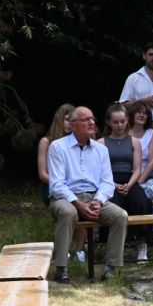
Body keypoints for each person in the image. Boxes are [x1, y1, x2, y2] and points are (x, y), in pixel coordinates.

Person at [45, 106, 130, 282]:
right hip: (65, 198)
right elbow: (57, 184)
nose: (91, 122)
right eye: (86, 119)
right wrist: (78, 204)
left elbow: (107, 182)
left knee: (120, 215)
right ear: (72, 125)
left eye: (92, 119)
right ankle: (61, 269)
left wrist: (99, 201)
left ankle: (111, 268)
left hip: (93, 197)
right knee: (67, 212)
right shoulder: (58, 147)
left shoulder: (101, 149)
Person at [102, 103, 153, 263]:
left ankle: (142, 244)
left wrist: (129, 185)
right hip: (109, 181)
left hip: (130, 180)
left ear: (127, 121)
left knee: (142, 202)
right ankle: (116, 247)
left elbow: (137, 169)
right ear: (109, 122)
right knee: (114, 205)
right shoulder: (101, 142)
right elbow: (99, 170)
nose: (119, 125)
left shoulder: (134, 142)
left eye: (122, 121)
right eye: (115, 122)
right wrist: (114, 185)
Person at [37, 103, 87, 265]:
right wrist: (63, 186)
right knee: (67, 209)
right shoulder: (46, 142)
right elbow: (43, 174)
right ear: (59, 120)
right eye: (66, 119)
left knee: (85, 203)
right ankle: (63, 250)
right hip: (52, 186)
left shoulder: (80, 142)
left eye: (72, 120)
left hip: (75, 187)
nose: (68, 123)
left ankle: (80, 249)